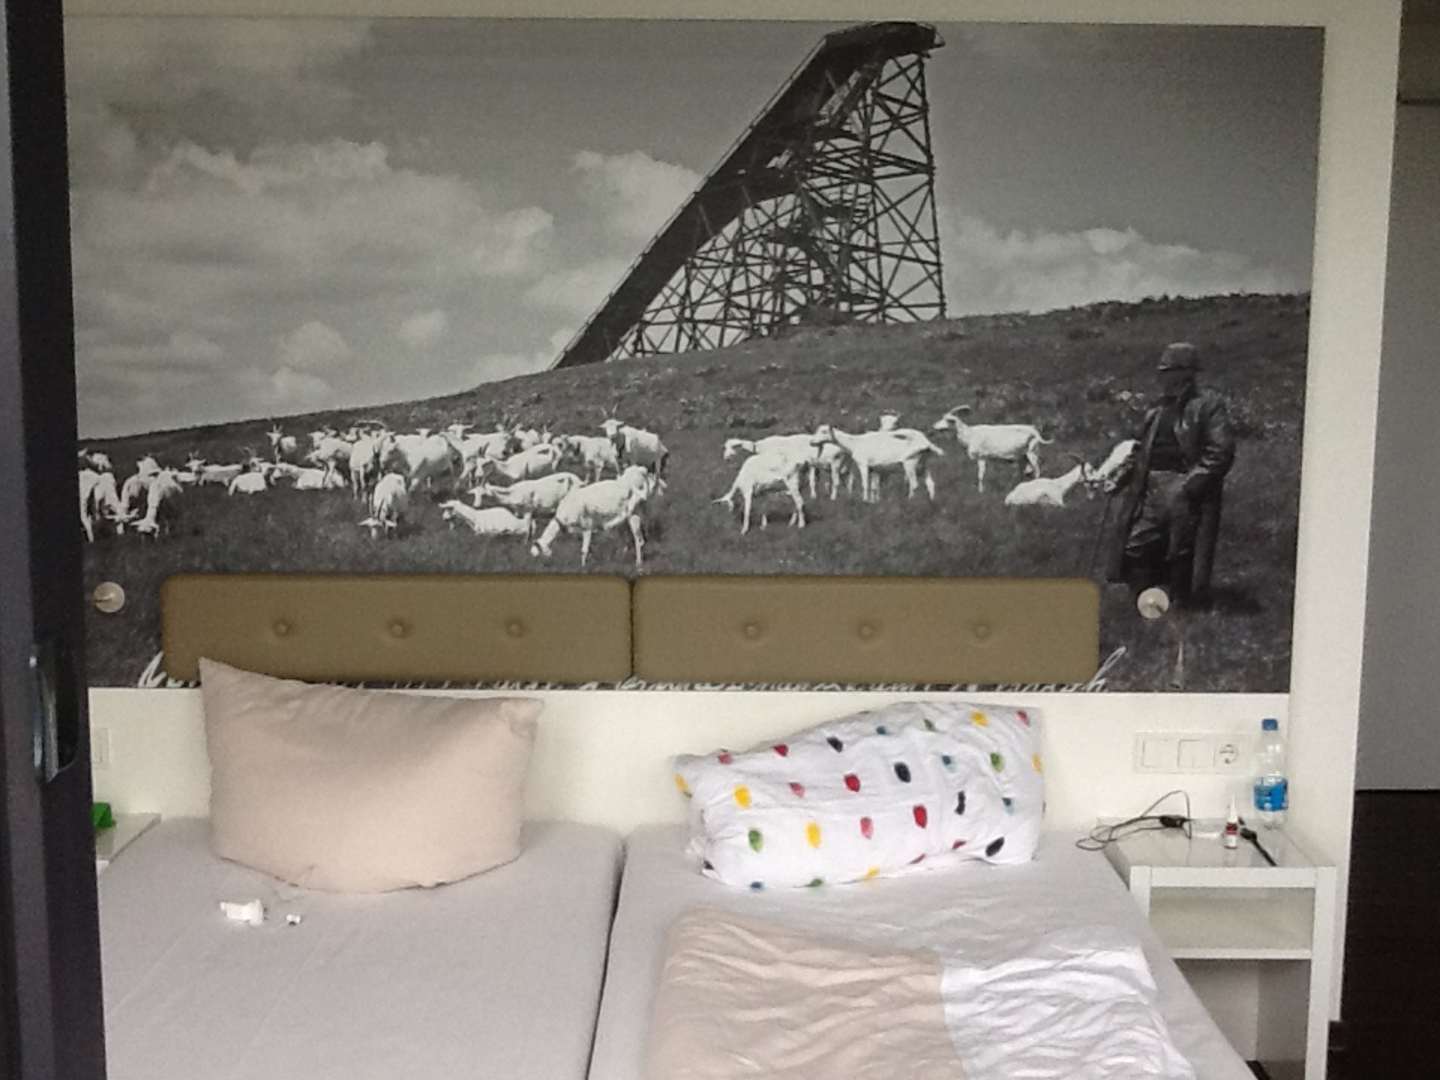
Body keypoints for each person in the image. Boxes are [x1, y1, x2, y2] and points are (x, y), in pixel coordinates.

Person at [1104, 342, 1235, 607]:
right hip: (1150, 485)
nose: (1161, 376)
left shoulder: (1208, 406)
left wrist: (1189, 486)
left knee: (1181, 549)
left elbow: (1221, 452)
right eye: (1162, 371)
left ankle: (1181, 606)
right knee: (1136, 545)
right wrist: (1119, 478)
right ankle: (1145, 605)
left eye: (1167, 371)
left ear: (1186, 373)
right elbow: (1140, 451)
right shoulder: (1158, 408)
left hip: (1184, 483)